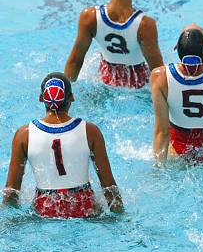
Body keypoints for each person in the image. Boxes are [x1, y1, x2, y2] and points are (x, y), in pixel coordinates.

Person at [2, 73, 124, 218]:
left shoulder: (24, 135)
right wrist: (121, 216)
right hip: (84, 207)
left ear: (41, 98)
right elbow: (109, 187)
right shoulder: (90, 131)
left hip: (45, 209)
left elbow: (11, 192)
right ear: (71, 97)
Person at [64, 0, 163, 89]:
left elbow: (75, 62)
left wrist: (64, 96)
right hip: (138, 83)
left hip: (105, 79)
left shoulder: (90, 17)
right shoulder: (145, 25)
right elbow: (158, 72)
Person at [151, 24, 203, 163]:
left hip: (179, 149)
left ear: (176, 48)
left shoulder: (159, 76)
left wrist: (157, 170)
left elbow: (162, 131)